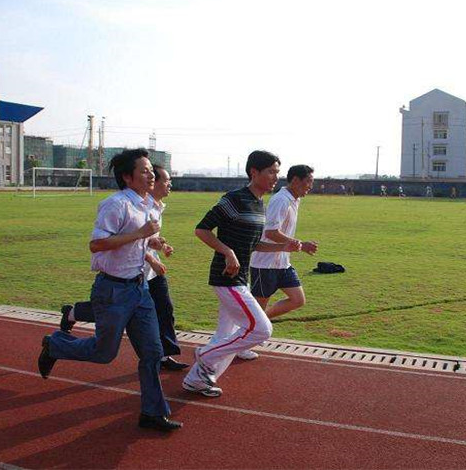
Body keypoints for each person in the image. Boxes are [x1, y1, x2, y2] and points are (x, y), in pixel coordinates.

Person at [37, 148, 182, 431]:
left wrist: (152, 243)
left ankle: (152, 413)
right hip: (112, 290)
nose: (151, 174)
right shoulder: (115, 205)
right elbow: (97, 244)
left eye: (151, 169)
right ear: (128, 177)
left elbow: (136, 242)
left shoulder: (147, 206)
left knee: (153, 353)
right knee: (104, 353)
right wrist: (141, 235)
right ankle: (55, 344)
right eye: (144, 170)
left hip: (140, 290)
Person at [182, 150, 300, 397]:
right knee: (261, 329)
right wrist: (227, 252)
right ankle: (205, 355)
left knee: (225, 333)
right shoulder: (234, 199)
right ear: (253, 172)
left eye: (277, 173)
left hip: (240, 277)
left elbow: (254, 244)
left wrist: (282, 246)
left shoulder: (259, 204)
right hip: (226, 277)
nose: (275, 178)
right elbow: (202, 230)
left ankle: (197, 379)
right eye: (270, 172)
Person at [60, 164, 189, 371]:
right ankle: (72, 314)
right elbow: (113, 243)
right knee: (112, 322)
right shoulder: (123, 205)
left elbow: (145, 239)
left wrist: (159, 245)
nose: (167, 184)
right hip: (131, 275)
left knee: (164, 309)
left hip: (147, 275)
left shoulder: (155, 207)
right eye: (164, 180)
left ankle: (161, 357)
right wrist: (152, 258)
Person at [248, 165, 318, 340]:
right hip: (265, 264)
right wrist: (300, 244)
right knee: (258, 309)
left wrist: (300, 246)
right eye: (308, 181)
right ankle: (243, 342)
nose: (310, 186)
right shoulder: (281, 200)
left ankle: (261, 323)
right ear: (295, 180)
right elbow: (271, 232)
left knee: (298, 300)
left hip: (283, 263)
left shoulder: (295, 199)